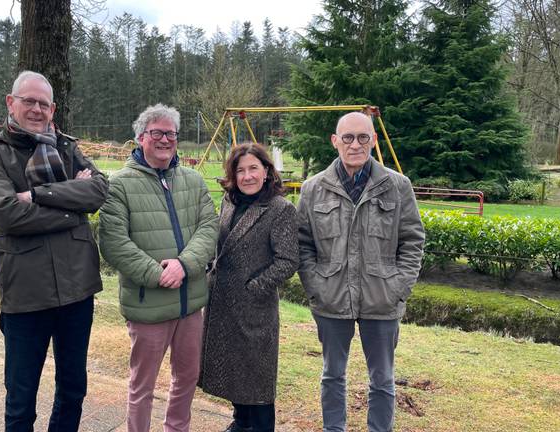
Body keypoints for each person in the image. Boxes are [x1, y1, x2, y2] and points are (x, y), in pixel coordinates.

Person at [0, 70, 108, 431]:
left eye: (43, 103)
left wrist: (36, 195)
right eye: (28, 101)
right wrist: (72, 210)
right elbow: (6, 213)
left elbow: (98, 190)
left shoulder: (65, 146)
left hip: (77, 290)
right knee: (21, 398)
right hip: (26, 293)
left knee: (73, 390)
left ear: (53, 108)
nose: (36, 109)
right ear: (11, 103)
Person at [297, 111, 425, 432]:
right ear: (335, 141)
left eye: (363, 137)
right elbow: (302, 243)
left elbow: (412, 241)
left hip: (382, 300)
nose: (355, 144)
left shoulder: (397, 186)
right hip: (331, 299)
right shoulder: (313, 189)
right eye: (348, 137)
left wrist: (399, 288)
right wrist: (316, 286)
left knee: (383, 379)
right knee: (332, 374)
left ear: (374, 140)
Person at [98, 103, 218, 432]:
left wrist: (184, 264)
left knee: (187, 378)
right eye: (157, 133)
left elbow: (209, 229)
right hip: (147, 305)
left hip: (190, 304)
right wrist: (159, 274)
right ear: (140, 138)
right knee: (143, 385)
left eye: (171, 133)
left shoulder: (193, 181)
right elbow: (114, 243)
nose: (165, 139)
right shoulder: (119, 185)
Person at [199, 143, 299, 432]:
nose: (247, 176)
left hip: (255, 307)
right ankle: (239, 423)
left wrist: (254, 287)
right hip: (221, 303)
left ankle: (260, 427)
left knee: (257, 379)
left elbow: (288, 260)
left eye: (253, 168)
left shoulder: (280, 209)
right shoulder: (229, 202)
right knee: (232, 371)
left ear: (267, 171)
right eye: (240, 170)